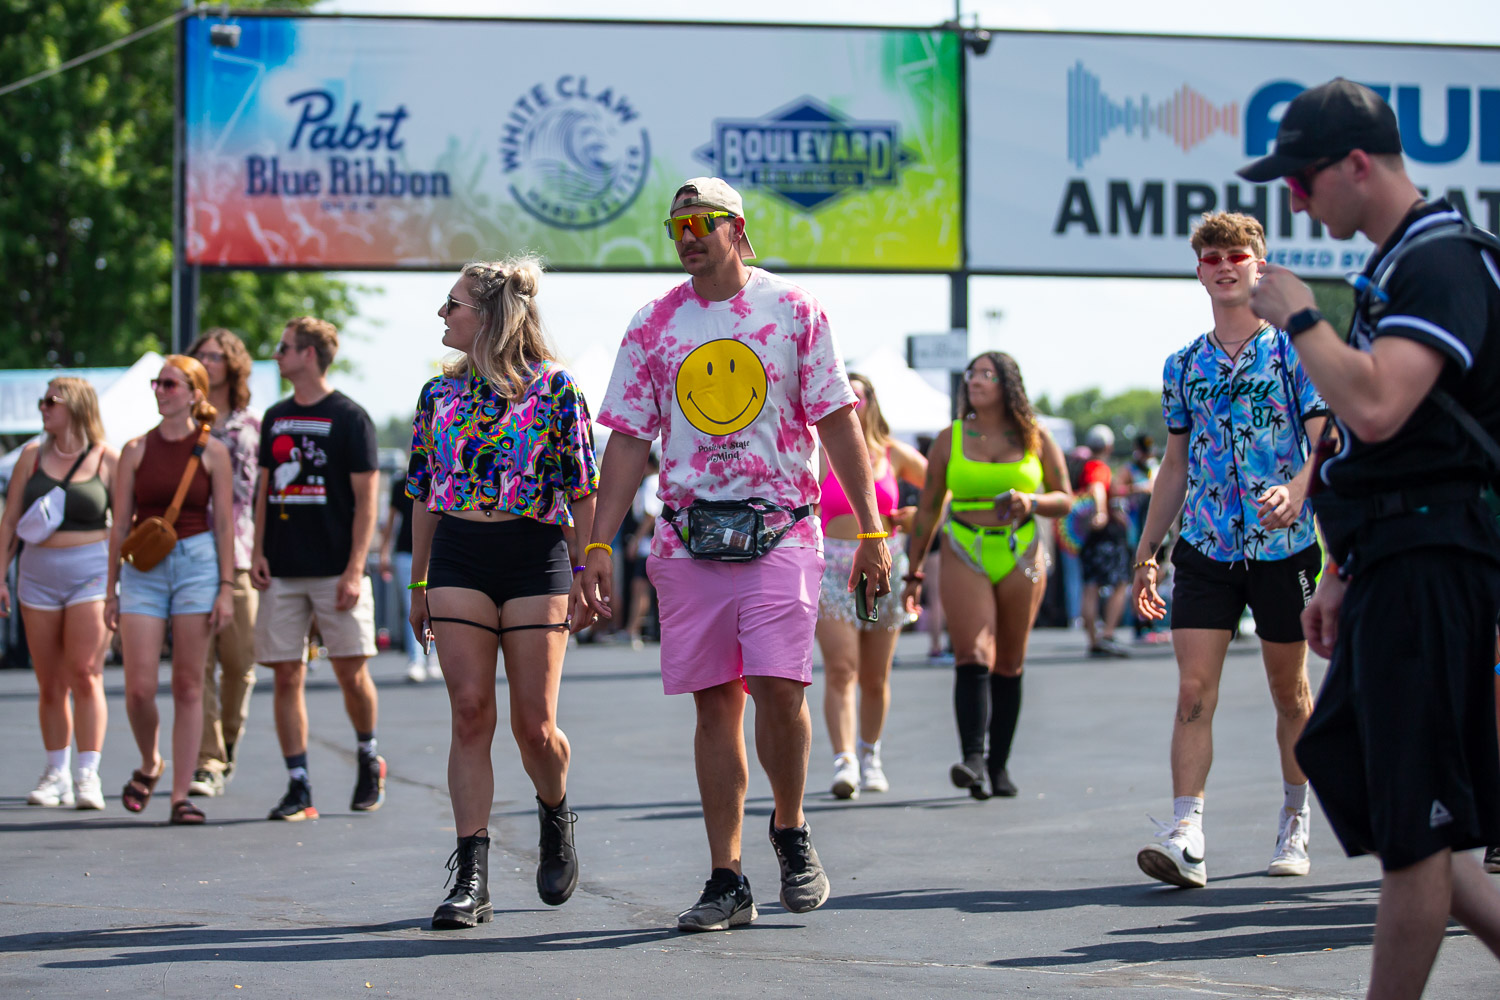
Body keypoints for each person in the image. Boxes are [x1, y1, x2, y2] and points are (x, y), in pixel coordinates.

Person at [1240, 77, 1500, 997]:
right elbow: (1373, 441)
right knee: (1400, 807)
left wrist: (1301, 316)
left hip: (1433, 562)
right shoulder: (1402, 264)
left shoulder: (1440, 260)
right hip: (1397, 557)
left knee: (1416, 834)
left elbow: (1379, 406)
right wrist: (1343, 568)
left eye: (1301, 180)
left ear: (1356, 164)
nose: (1295, 201)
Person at [577, 177, 891, 933]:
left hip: (783, 527)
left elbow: (837, 421)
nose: (688, 236)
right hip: (689, 536)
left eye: (703, 223)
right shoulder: (653, 324)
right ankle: (727, 878)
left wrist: (873, 530)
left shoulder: (795, 310)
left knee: (781, 687)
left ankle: (791, 826)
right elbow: (628, 439)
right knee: (715, 703)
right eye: (677, 226)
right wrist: (597, 540)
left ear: (737, 229)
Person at [1129, 211, 1329, 890]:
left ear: (1258, 266)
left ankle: (1295, 816)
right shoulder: (1183, 364)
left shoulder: (1293, 352)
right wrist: (1148, 553)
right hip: (1207, 545)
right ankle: (1186, 833)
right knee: (1193, 690)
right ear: (1199, 271)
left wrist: (1297, 491)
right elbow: (1174, 465)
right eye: (1211, 258)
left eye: (1236, 256)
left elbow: (1326, 441)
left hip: (1284, 547)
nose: (1223, 266)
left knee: (1289, 693)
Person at [405, 257, 598, 928]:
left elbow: (582, 487)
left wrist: (586, 569)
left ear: (488, 316)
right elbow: (422, 492)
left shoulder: (556, 387)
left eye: (453, 303)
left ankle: (555, 814)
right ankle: (472, 876)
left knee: (534, 728)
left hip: (532, 554)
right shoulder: (438, 394)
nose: (443, 313)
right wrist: (418, 580)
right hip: (459, 552)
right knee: (469, 712)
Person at [901, 351, 1071, 800]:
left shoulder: (1035, 436)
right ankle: (973, 759)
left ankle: (999, 765)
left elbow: (1065, 499)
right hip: (964, 546)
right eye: (971, 374)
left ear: (1007, 384)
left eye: (986, 375)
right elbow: (929, 509)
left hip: (1020, 550)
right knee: (972, 653)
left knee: (1010, 660)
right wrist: (913, 571)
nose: (975, 381)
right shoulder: (950, 438)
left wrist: (1032, 502)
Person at [252, 317, 383, 822]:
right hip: (282, 569)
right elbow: (265, 489)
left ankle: (368, 755)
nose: (277, 355)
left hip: (336, 568)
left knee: (351, 672)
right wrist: (257, 551)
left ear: (308, 354)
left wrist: (355, 569)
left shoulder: (351, 417)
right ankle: (298, 784)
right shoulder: (275, 416)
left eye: (284, 347)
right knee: (286, 676)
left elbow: (367, 501)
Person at [107, 357, 236, 825]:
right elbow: (120, 524)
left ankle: (181, 795)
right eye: (157, 383)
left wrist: (226, 587)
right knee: (139, 688)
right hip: (143, 568)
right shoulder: (135, 449)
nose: (160, 391)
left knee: (187, 683)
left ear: (195, 393)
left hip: (197, 563)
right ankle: (150, 762)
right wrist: (110, 591)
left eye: (170, 384)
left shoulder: (214, 452)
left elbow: (225, 525)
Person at [0, 378, 117, 810]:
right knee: (50, 682)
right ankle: (56, 773)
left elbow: (125, 521)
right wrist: (0, 575)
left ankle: (88, 773)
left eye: (52, 401)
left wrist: (119, 583)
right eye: (42, 400)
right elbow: (10, 519)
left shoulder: (107, 458)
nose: (43, 408)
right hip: (37, 574)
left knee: (85, 672)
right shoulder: (31, 456)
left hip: (90, 571)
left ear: (78, 406)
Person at [815, 372, 926, 799]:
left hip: (885, 564)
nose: (851, 402)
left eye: (857, 396)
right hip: (833, 565)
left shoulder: (893, 453)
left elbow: (941, 489)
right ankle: (844, 761)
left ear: (871, 403)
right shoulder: (820, 450)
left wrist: (915, 517)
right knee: (841, 668)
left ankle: (870, 755)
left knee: (875, 676)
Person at [183, 329, 261, 799]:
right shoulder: (182, 423)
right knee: (197, 665)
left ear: (232, 365)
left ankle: (227, 742)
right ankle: (207, 759)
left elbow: (258, 497)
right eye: (199, 356)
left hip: (241, 555)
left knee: (239, 664)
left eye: (212, 356)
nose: (204, 363)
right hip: (191, 553)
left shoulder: (252, 424)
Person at [378, 464, 440, 683]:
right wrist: (384, 551)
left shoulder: (442, 476)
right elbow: (391, 520)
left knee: (438, 605)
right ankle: (416, 659)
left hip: (438, 552)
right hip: (407, 552)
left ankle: (433, 657)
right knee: (413, 605)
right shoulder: (400, 484)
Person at [1076, 424, 1132, 657]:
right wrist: (1101, 512)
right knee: (1120, 583)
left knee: (1090, 586)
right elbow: (1097, 488)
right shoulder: (1099, 467)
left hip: (1086, 537)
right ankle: (1107, 635)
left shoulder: (1083, 467)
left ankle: (1093, 639)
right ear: (1108, 446)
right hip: (1105, 536)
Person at [622, 449, 662, 650]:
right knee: (655, 591)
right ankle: (643, 630)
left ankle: (633, 629)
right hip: (659, 544)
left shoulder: (650, 482)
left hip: (648, 544)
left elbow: (650, 515)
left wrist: (636, 541)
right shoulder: (660, 480)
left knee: (640, 588)